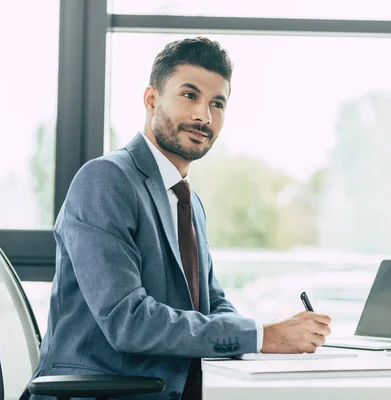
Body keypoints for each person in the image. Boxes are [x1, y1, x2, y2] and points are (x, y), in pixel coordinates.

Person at [26, 37, 331, 400]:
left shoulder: (188, 201)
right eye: (190, 95)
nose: (204, 115)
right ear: (151, 99)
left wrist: (269, 334)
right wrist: (262, 336)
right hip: (109, 392)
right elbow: (129, 322)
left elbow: (213, 303)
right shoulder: (106, 180)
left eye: (217, 103)